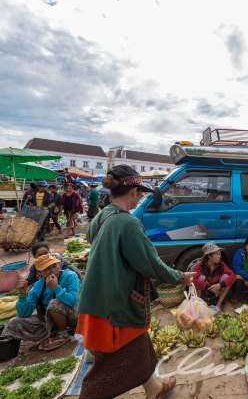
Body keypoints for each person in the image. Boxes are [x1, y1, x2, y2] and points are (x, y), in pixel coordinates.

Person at [76, 165, 195, 399]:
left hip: (98, 299)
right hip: (114, 307)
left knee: (140, 350)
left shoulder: (104, 214)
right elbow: (150, 263)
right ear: (132, 191)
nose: (141, 196)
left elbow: (91, 236)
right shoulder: (127, 223)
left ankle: (155, 389)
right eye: (139, 192)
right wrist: (179, 277)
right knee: (110, 369)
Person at [1, 253, 81, 351]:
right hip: (49, 322)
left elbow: (73, 301)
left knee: (54, 303)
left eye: (54, 265)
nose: (53, 270)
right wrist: (22, 295)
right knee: (14, 322)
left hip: (74, 316)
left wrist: (56, 288)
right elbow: (23, 313)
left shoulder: (70, 276)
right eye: (47, 268)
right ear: (39, 273)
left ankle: (63, 334)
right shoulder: (38, 286)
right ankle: (52, 332)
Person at [193, 242, 236, 312]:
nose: (219, 256)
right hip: (205, 292)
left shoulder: (221, 265)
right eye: (216, 254)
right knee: (200, 278)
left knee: (227, 278)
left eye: (219, 254)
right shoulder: (199, 266)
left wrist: (220, 285)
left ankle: (218, 305)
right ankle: (199, 305)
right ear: (209, 256)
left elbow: (233, 276)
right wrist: (210, 287)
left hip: (217, 293)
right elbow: (194, 280)